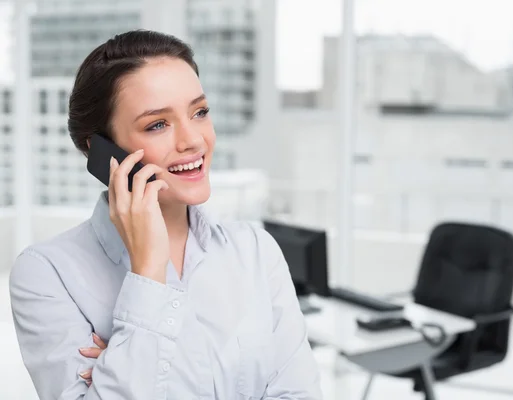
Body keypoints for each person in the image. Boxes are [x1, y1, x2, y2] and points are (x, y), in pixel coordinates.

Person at [9, 30, 322, 400]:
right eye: (157, 124)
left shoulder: (255, 251)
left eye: (200, 112)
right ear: (103, 152)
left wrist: (124, 362)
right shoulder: (46, 273)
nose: (193, 140)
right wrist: (147, 277)